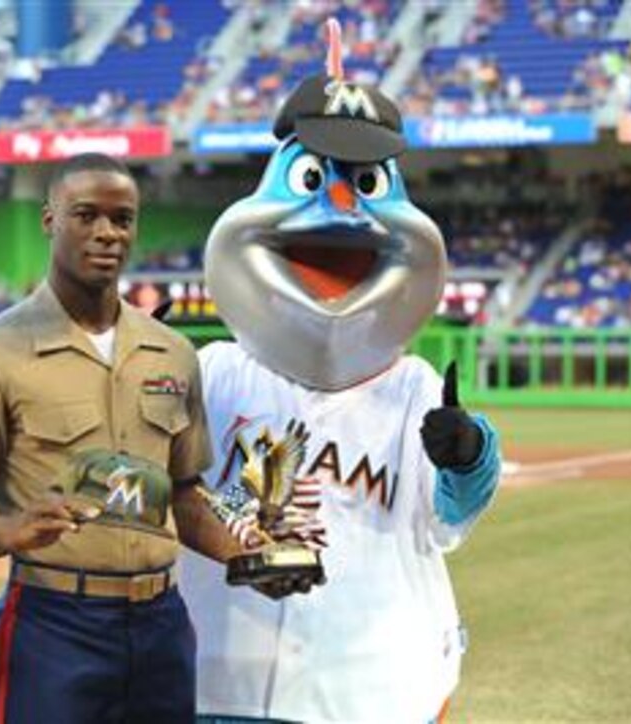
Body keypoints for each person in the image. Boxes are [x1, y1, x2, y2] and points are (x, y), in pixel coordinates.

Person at [179, 24, 503, 724]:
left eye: (363, 182)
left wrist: (468, 455)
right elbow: (158, 492)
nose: (342, 205)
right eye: (313, 177)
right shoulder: (214, 374)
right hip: (220, 673)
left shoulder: (413, 387)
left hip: (368, 689)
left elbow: (451, 518)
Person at [0, 152, 247, 724]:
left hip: (162, 623)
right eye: (86, 215)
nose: (107, 233)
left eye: (122, 219)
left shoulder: (175, 353)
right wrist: (9, 529)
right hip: (53, 623)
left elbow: (185, 495)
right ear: (49, 219)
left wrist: (249, 550)